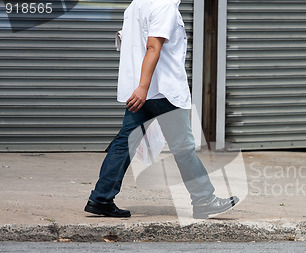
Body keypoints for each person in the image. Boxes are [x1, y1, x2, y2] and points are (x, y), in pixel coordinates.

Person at [84, 0, 238, 219]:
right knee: (183, 147)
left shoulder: (137, 4)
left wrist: (140, 88)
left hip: (143, 91)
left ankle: (100, 198)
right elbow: (153, 46)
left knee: (125, 142)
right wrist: (144, 87)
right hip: (162, 91)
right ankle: (204, 200)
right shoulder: (164, 5)